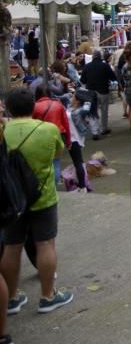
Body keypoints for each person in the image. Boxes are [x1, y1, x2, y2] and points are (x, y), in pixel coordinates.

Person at [1, 88, 74, 323]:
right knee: (45, 244)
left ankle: (11, 298)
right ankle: (47, 295)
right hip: (43, 197)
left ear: (8, 108)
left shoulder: (3, 131)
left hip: (11, 200)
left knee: (11, 247)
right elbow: (57, 153)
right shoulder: (48, 130)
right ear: (33, 106)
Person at [80, 50, 116, 136]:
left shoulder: (87, 66)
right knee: (104, 110)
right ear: (101, 57)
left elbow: (82, 80)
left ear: (92, 57)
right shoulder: (105, 66)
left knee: (93, 111)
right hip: (103, 91)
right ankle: (104, 128)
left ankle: (95, 131)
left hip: (91, 92)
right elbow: (113, 77)